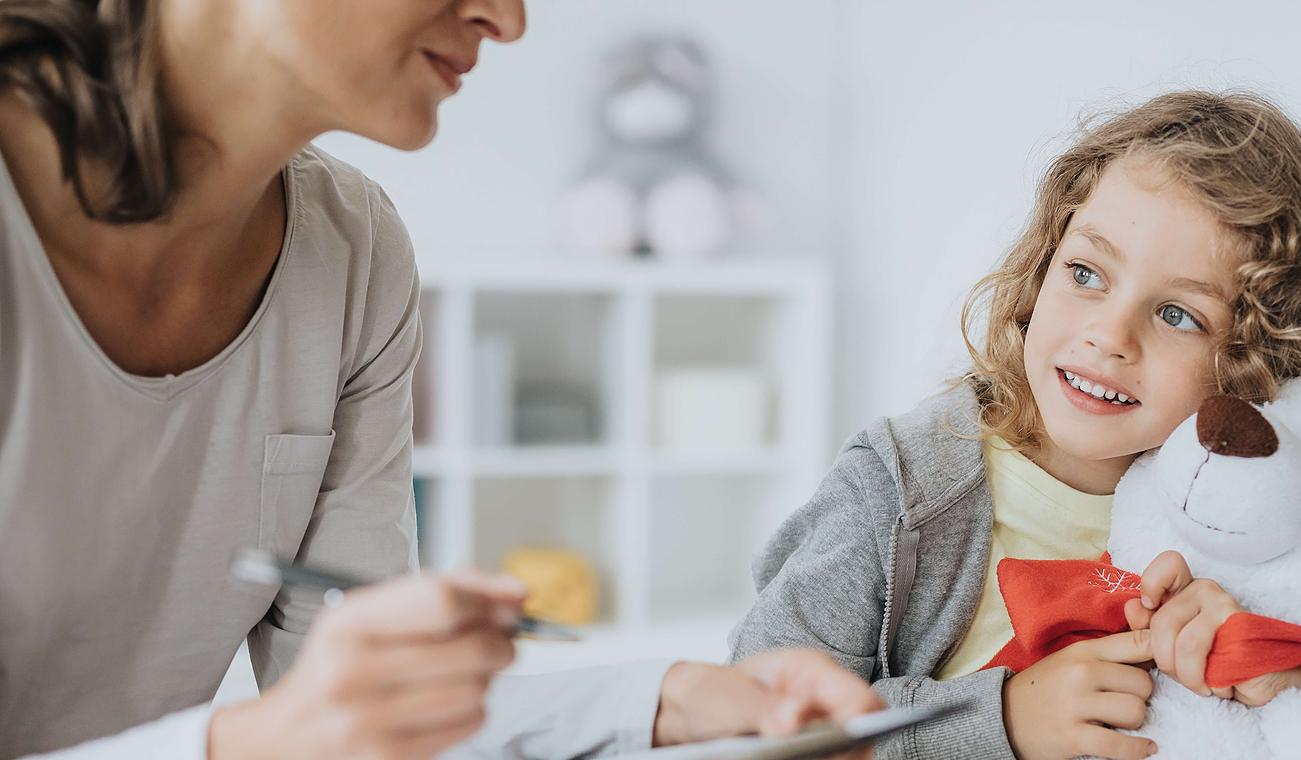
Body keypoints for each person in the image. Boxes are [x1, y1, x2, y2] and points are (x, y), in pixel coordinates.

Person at [0, 1, 880, 758]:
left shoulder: (354, 253)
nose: (509, 19)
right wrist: (249, 743)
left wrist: (670, 704)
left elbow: (367, 721)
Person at [729, 91, 1301, 760]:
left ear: (1264, 362)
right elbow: (748, 728)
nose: (1108, 334)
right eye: (1087, 273)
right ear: (1042, 267)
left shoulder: (1265, 513)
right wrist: (1001, 722)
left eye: (1177, 314)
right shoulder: (900, 492)